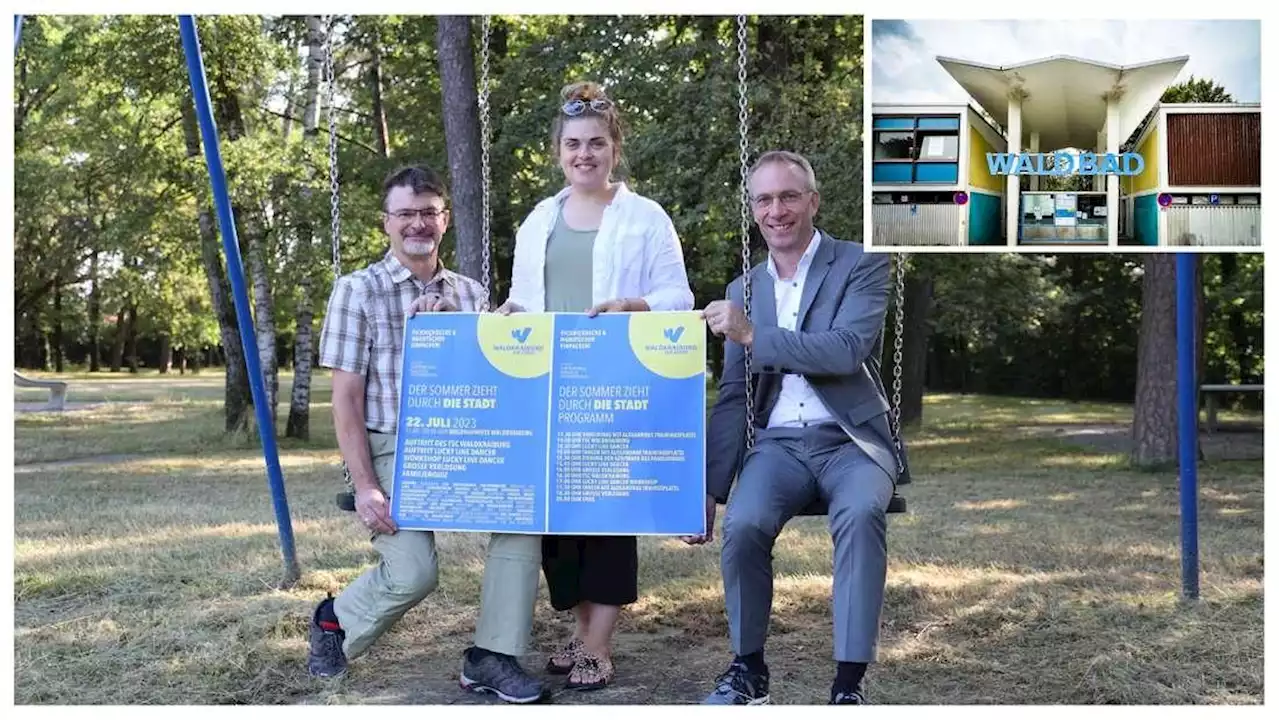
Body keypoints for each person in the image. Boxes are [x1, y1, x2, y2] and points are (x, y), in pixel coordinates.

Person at [307, 164, 547, 704]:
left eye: (428, 213)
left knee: (522, 515)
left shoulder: (469, 292)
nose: (418, 223)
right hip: (393, 445)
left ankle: (491, 656)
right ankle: (333, 623)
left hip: (465, 442)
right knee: (414, 574)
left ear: (445, 221)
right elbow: (344, 401)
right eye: (406, 214)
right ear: (386, 223)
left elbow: (493, 382)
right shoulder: (356, 291)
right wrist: (366, 486)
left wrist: (511, 334)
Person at [498, 81, 695, 690]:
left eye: (597, 144)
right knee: (561, 520)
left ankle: (599, 645)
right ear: (558, 150)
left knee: (607, 517)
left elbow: (679, 298)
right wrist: (510, 314)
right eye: (573, 144)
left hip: (615, 387)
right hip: (550, 390)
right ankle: (581, 634)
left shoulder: (645, 217)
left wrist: (634, 305)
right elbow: (527, 299)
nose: (585, 154)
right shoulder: (539, 220)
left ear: (615, 149)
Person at [689, 150, 902, 705]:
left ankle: (848, 684)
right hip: (779, 445)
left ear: (812, 200)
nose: (776, 210)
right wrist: (711, 489)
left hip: (851, 441)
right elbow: (736, 394)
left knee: (859, 513)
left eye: (788, 196)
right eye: (764, 199)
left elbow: (846, 350)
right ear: (753, 209)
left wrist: (754, 335)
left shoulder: (860, 263)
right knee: (744, 524)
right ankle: (748, 670)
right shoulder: (745, 288)